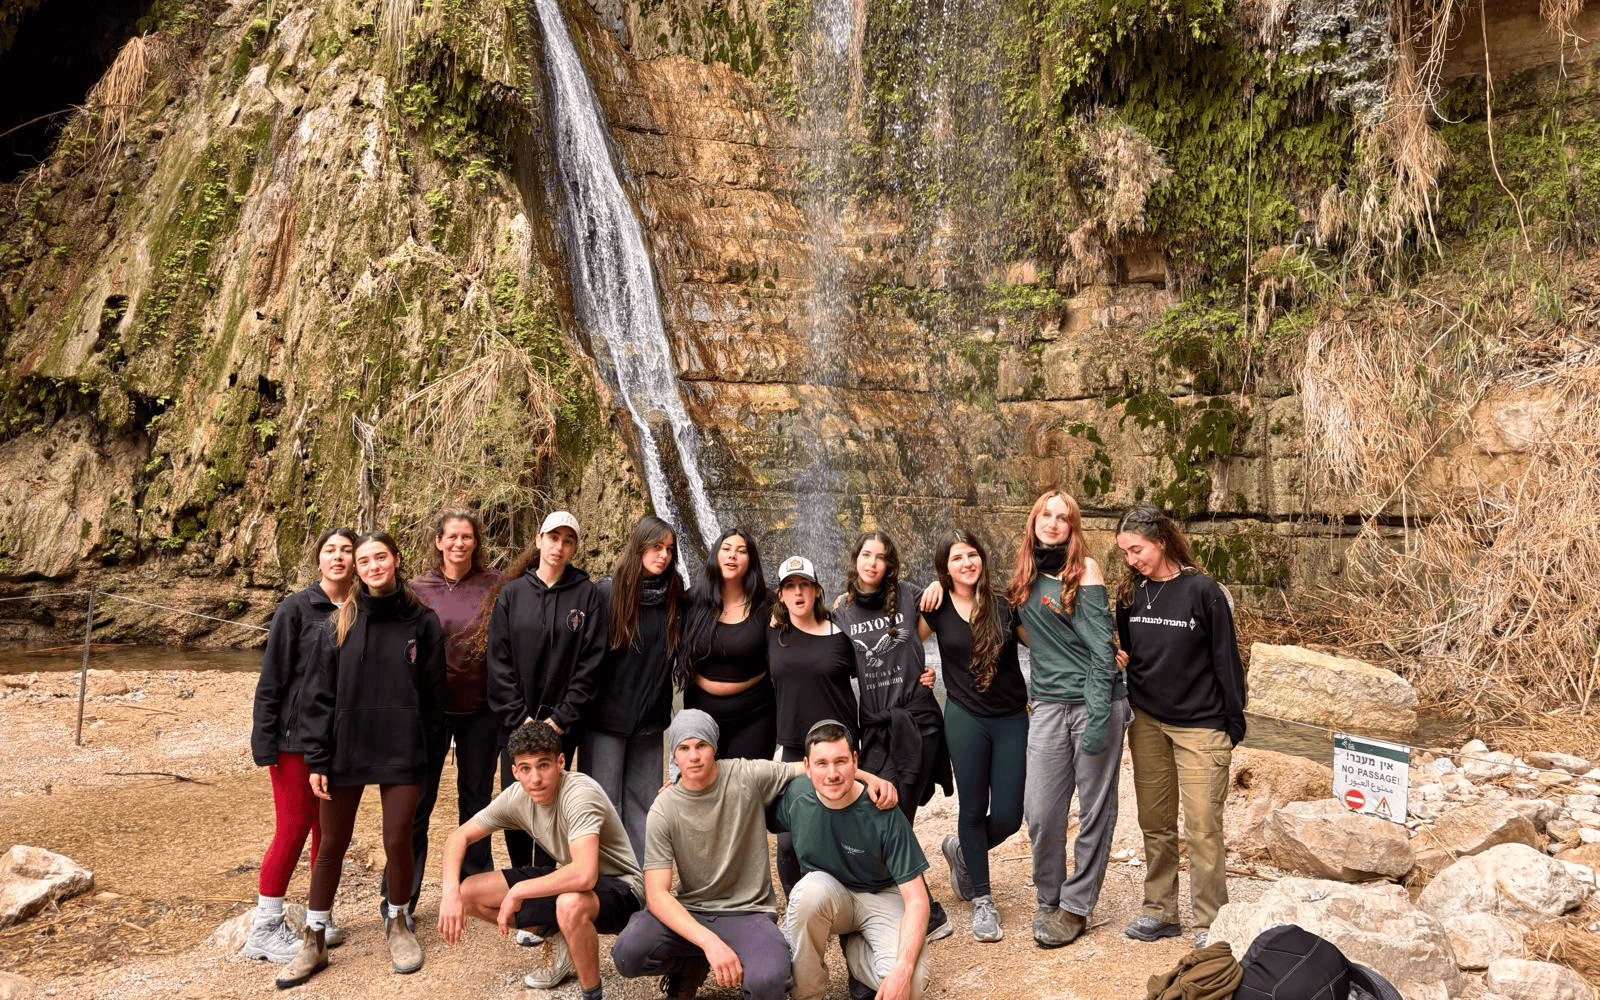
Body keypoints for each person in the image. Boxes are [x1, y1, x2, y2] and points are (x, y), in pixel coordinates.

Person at [609, 709, 898, 1000]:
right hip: (693, 909)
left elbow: (813, 767)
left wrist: (868, 778)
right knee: (628, 952)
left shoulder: (745, 775)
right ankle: (690, 964)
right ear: (674, 754)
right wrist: (710, 944)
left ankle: (734, 957)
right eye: (684, 748)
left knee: (770, 983)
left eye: (701, 746)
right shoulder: (664, 807)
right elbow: (656, 895)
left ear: (714, 748)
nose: (694, 756)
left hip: (748, 913)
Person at [277, 531, 446, 988]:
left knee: (397, 839)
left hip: (403, 749)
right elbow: (316, 697)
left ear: (395, 561)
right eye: (364, 559)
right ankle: (313, 938)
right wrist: (316, 759)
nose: (372, 566)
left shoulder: (423, 622)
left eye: (380, 557)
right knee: (332, 843)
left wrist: (429, 753)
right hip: (344, 749)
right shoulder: (339, 621)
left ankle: (398, 921)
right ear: (357, 568)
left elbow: (434, 697)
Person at [1114, 504, 1246, 949]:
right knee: (1154, 820)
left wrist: (1233, 722)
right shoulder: (1130, 593)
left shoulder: (1203, 591)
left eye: (1138, 549)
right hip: (1147, 721)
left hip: (1201, 726)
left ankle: (1212, 919)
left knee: (1203, 826)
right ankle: (1160, 911)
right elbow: (1132, 652)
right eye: (1126, 552)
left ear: (1162, 541)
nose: (1132, 560)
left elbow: (1227, 659)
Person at [436, 721, 643, 999]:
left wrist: (519, 890)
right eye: (525, 768)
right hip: (573, 882)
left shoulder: (579, 793)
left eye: (543, 765)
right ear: (515, 772)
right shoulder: (517, 796)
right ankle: (563, 942)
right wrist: (449, 892)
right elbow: (457, 838)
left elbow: (585, 875)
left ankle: (592, 994)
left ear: (560, 762)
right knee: (468, 893)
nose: (535, 778)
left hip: (623, 889)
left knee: (569, 903)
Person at [1009, 490, 1128, 949]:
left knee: (1095, 809)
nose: (1054, 523)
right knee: (1039, 811)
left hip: (1094, 703)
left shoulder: (1085, 571)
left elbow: (1102, 650)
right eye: (1047, 515)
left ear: (1073, 527)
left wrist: (1098, 716)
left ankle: (1076, 906)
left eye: (1064, 518)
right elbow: (1027, 628)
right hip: (1047, 705)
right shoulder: (1024, 575)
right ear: (1034, 520)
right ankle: (1050, 893)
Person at [832, 530, 952, 941]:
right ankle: (913, 902)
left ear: (889, 565)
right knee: (880, 810)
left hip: (918, 719)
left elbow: (946, 609)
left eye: (881, 558)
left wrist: (940, 582)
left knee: (897, 813)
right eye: (866, 554)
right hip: (877, 728)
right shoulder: (841, 613)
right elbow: (826, 660)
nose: (872, 563)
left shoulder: (907, 595)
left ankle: (925, 911)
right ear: (856, 559)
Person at [245, 526, 356, 962]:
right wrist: (264, 739)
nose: (339, 557)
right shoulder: (296, 608)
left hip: (336, 741)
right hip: (292, 741)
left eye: (347, 550)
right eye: (330, 550)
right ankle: (265, 928)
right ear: (318, 559)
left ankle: (318, 916)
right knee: (292, 827)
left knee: (326, 833)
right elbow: (272, 678)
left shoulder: (360, 608)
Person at [390, 508, 501, 917]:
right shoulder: (418, 589)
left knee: (477, 799)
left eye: (467, 537)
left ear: (476, 542)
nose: (459, 544)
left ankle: (476, 889)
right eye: (452, 537)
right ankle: (403, 894)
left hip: (481, 708)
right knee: (419, 800)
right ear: (438, 541)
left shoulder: (495, 585)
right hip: (429, 712)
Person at [920, 529, 1028, 943]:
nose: (966, 563)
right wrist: (920, 675)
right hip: (964, 716)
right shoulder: (934, 606)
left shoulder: (1005, 605)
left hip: (1012, 717)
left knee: (1008, 815)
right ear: (944, 569)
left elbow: (1041, 644)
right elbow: (899, 641)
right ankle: (983, 900)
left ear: (981, 558)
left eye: (971, 555)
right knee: (971, 807)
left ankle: (964, 851)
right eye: (956, 559)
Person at [485, 509, 607, 869]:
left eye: (568, 541)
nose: (559, 546)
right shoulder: (511, 594)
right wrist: (519, 719)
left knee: (556, 807)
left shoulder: (587, 596)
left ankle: (549, 887)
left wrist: (560, 719)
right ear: (539, 540)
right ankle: (524, 886)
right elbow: (498, 661)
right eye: (554, 538)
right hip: (516, 726)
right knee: (520, 803)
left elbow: (591, 664)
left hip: (562, 728)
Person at [776, 720, 932, 1000]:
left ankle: (857, 953)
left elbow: (918, 899)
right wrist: (678, 792)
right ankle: (807, 994)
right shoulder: (797, 795)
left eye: (841, 761)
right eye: (822, 763)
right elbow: (742, 791)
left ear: (855, 761)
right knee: (806, 894)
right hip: (829, 896)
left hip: (881, 896)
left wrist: (903, 969)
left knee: (912, 984)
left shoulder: (882, 808)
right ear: (807, 766)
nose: (833, 773)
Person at [582, 514, 683, 862]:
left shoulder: (673, 595)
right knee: (605, 803)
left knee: (646, 804)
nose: (663, 556)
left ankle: (640, 886)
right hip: (606, 719)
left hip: (650, 720)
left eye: (669, 549)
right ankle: (605, 882)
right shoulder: (607, 592)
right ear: (639, 546)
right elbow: (586, 657)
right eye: (656, 547)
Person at [766, 554, 858, 895]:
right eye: (790, 586)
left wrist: (922, 676)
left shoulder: (840, 631)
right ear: (781, 595)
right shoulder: (774, 634)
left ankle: (846, 900)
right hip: (794, 748)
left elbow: (880, 665)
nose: (798, 592)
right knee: (789, 841)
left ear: (817, 590)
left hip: (839, 745)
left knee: (842, 827)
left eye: (805, 584)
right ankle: (797, 905)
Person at [678, 528, 776, 761]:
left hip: (755, 714)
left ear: (750, 560)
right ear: (715, 555)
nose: (733, 555)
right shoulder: (693, 601)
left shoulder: (767, 603)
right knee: (704, 791)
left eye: (741, 551)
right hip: (700, 712)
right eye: (726, 549)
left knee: (747, 789)